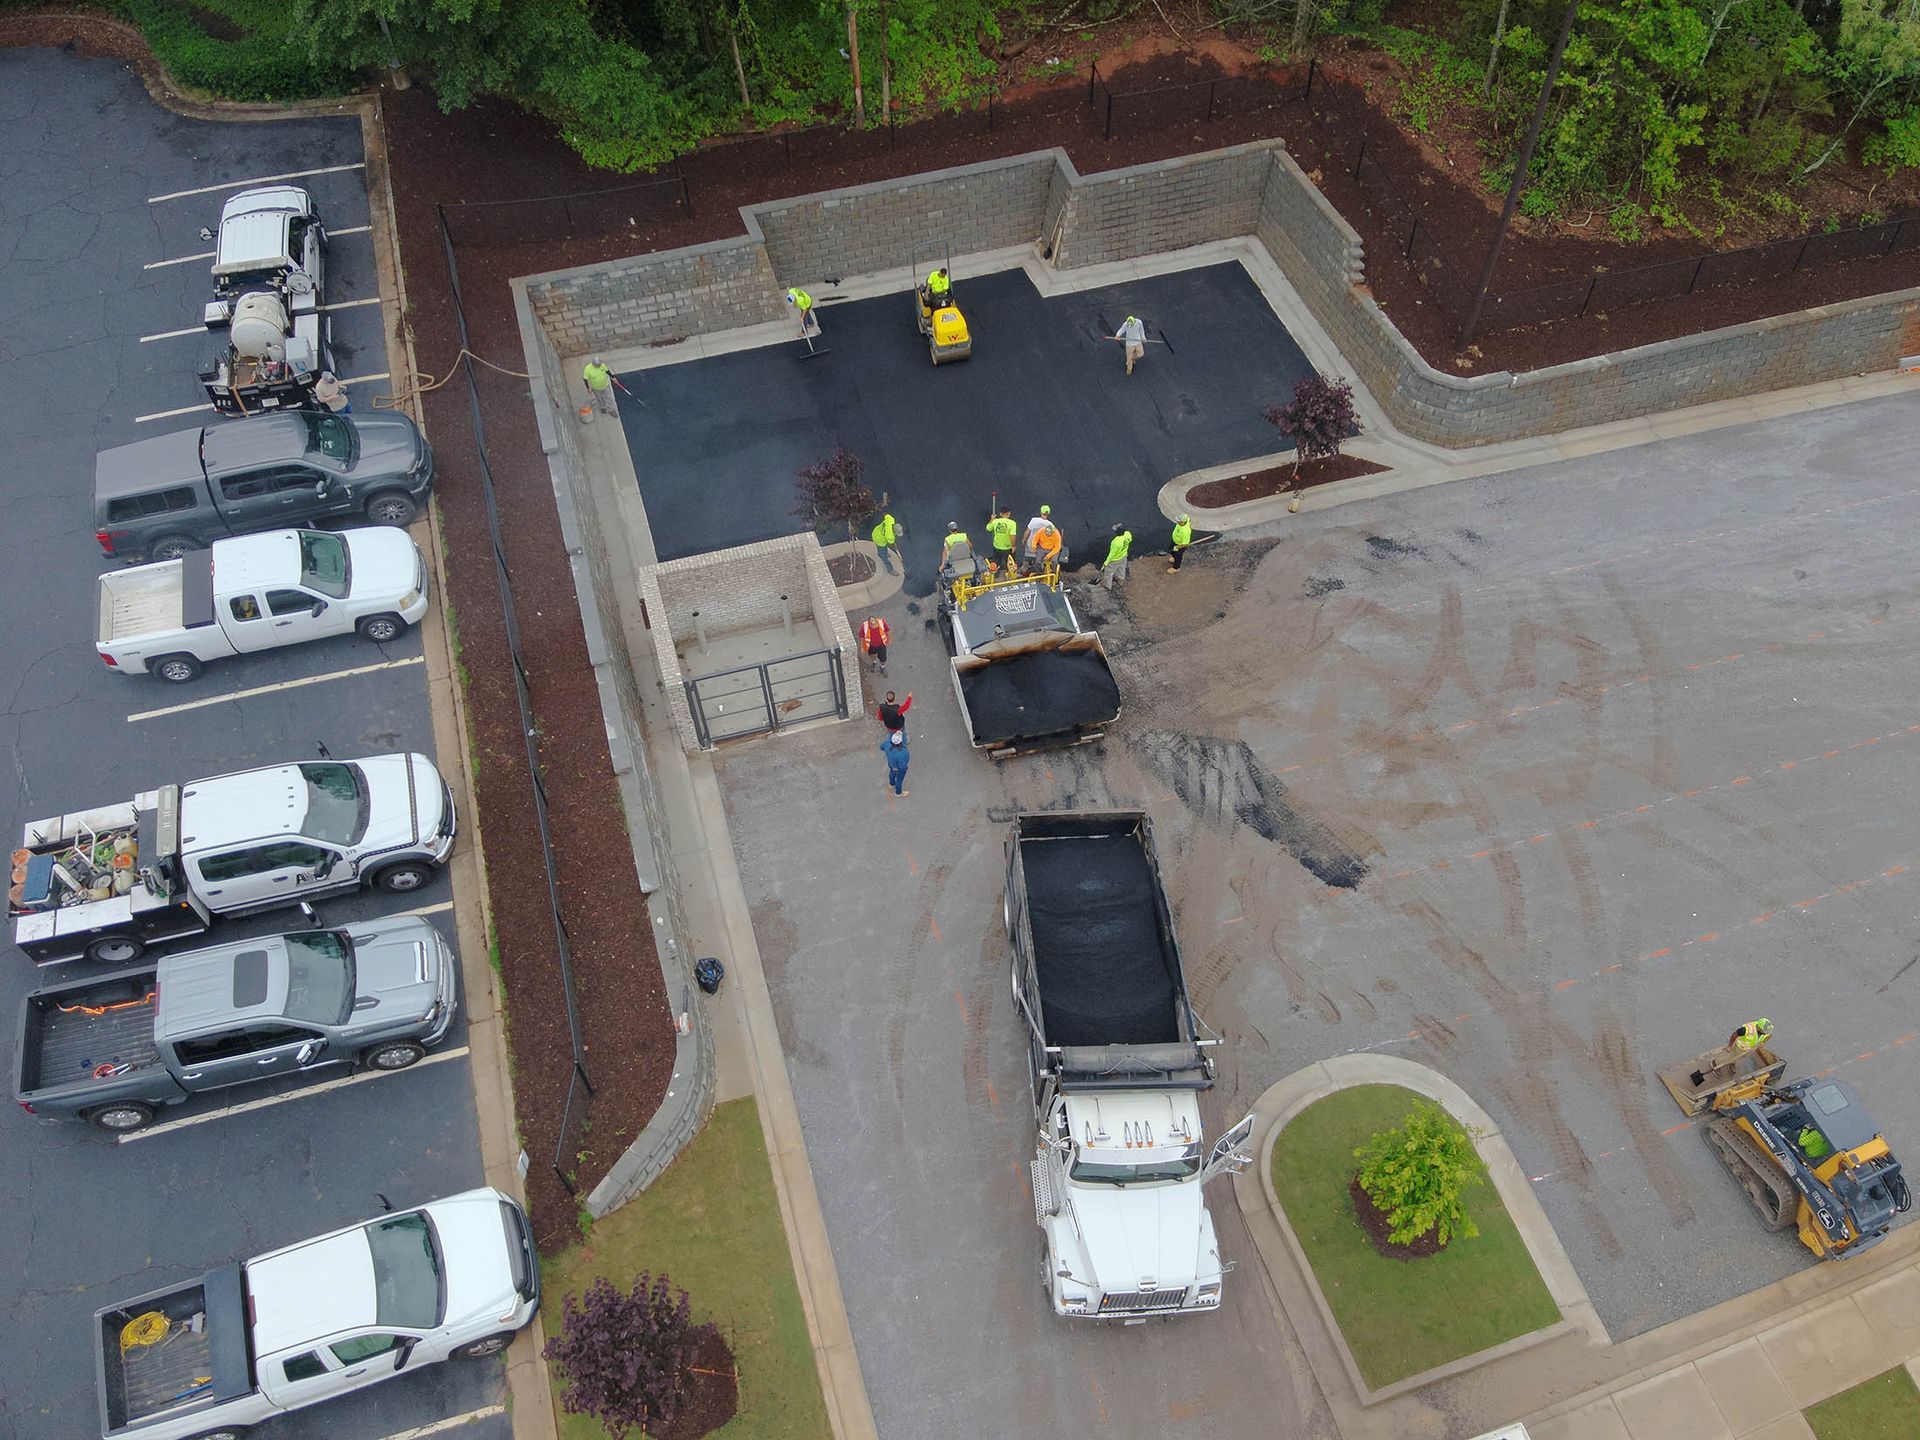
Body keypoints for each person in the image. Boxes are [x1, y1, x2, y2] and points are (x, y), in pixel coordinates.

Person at [881, 729, 911, 797]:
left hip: (891, 764)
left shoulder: (887, 744)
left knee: (892, 774)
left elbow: (881, 747)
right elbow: (903, 766)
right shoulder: (902, 753)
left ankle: (891, 784)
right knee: (899, 780)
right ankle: (898, 793)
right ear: (900, 742)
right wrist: (905, 769)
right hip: (899, 769)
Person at [871, 510, 901, 576]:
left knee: (882, 550)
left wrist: (885, 514)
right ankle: (890, 570)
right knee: (884, 554)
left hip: (876, 532)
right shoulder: (890, 536)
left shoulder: (890, 520)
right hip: (879, 541)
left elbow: (886, 514)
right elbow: (891, 544)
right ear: (894, 531)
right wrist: (894, 546)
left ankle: (880, 554)